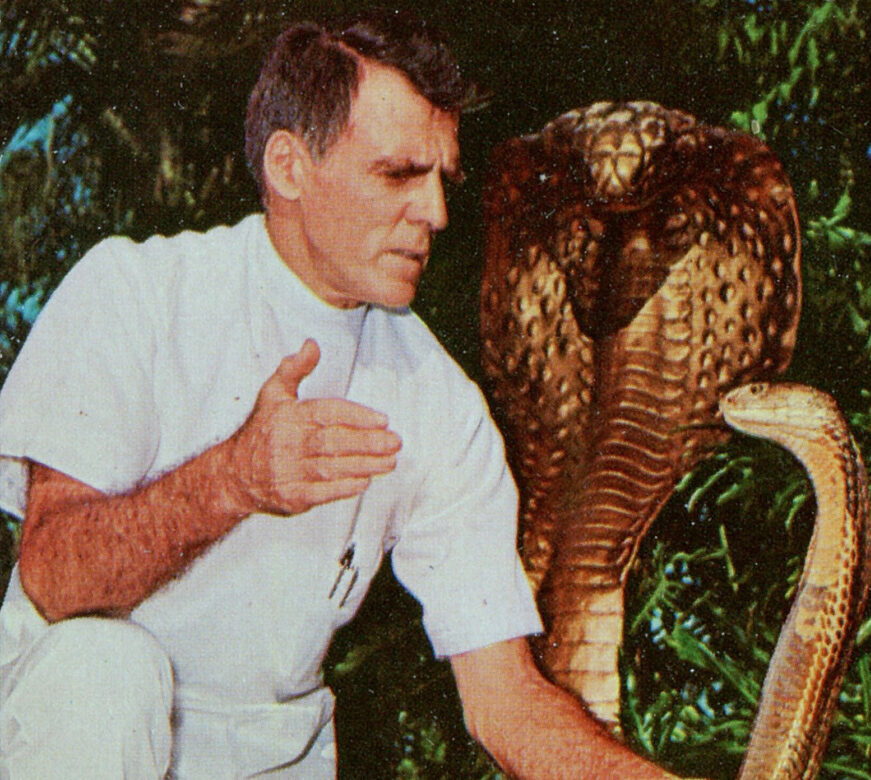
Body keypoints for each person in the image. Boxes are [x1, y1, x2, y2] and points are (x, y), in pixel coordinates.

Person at [0, 9, 676, 779]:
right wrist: (234, 478)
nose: (436, 214)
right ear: (289, 167)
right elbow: (50, 579)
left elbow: (504, 700)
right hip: (69, 734)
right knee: (105, 669)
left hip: (271, 759)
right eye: (398, 174)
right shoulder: (138, 293)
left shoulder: (440, 406)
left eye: (442, 178)